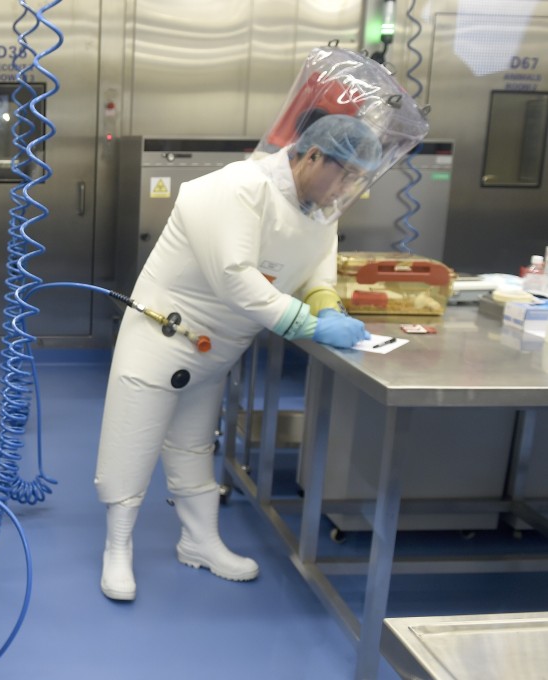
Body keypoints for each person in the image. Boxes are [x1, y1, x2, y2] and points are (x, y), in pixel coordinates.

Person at [95, 114, 380, 602]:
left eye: (358, 179)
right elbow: (235, 277)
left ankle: (199, 542)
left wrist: (327, 306)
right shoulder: (233, 188)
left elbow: (316, 276)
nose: (348, 189)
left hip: (218, 349)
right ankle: (116, 550)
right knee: (132, 441)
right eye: (346, 174)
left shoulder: (319, 210)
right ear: (313, 156)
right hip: (163, 336)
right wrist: (310, 326)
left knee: (193, 446)